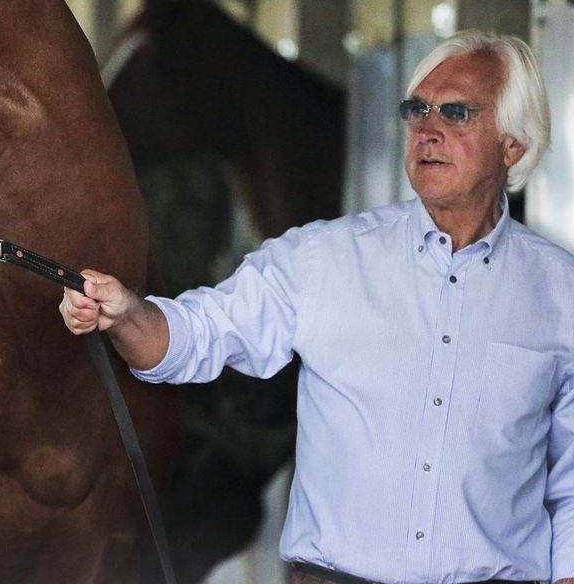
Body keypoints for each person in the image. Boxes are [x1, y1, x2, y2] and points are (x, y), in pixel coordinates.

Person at [61, 30, 574, 584]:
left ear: (513, 145)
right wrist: (128, 314)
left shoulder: (560, 292)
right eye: (416, 109)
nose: (427, 129)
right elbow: (198, 333)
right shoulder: (323, 258)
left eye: (456, 113)